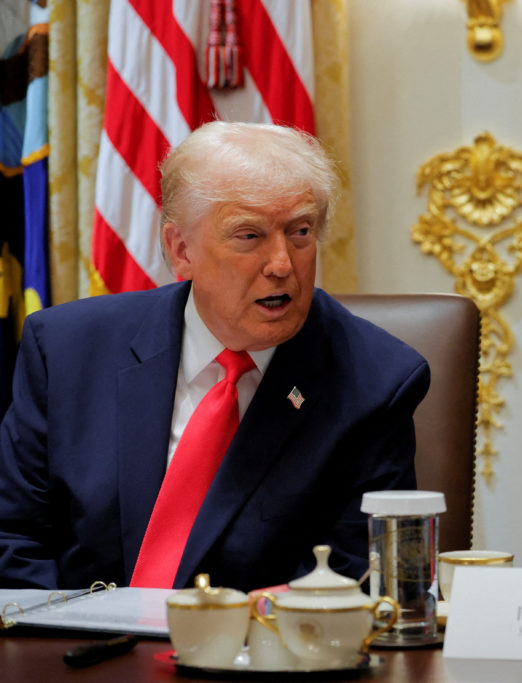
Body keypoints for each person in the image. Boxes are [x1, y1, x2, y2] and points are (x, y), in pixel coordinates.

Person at [0, 122, 429, 591]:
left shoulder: (376, 382)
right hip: (75, 652)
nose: (283, 264)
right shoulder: (66, 350)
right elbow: (12, 538)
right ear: (181, 251)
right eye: (249, 236)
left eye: (300, 232)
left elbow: (360, 577)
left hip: (251, 657)